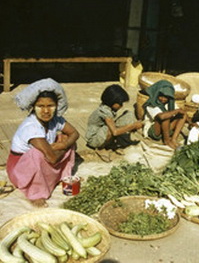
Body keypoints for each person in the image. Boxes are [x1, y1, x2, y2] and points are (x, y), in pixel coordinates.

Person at [6, 79, 79, 207]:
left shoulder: (56, 119)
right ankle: (35, 194)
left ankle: (63, 176)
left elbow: (74, 134)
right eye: (40, 106)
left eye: (50, 106)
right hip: (20, 170)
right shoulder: (31, 127)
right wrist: (62, 146)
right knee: (37, 154)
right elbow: (51, 158)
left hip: (48, 158)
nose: (46, 111)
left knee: (67, 140)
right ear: (33, 108)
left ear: (56, 106)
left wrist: (64, 144)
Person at [86, 84, 143, 162]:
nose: (121, 106)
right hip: (94, 139)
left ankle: (119, 143)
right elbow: (115, 132)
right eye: (120, 104)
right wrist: (133, 126)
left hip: (102, 133)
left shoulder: (109, 108)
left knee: (128, 114)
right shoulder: (104, 111)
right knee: (109, 129)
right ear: (112, 101)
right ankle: (100, 148)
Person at [142, 80, 188, 149]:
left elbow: (181, 112)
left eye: (166, 97)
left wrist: (191, 122)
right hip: (154, 130)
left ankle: (173, 139)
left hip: (165, 129)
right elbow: (161, 116)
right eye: (161, 96)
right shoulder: (152, 104)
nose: (163, 99)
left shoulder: (170, 104)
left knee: (182, 115)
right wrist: (176, 111)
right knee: (165, 116)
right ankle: (166, 141)